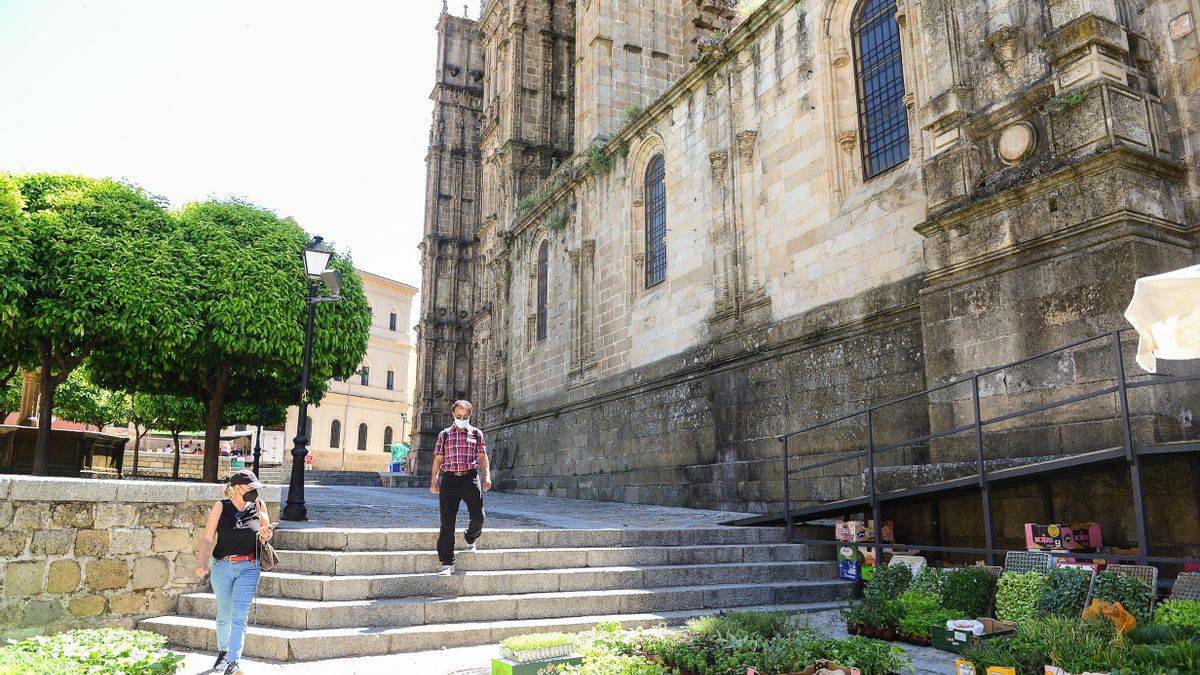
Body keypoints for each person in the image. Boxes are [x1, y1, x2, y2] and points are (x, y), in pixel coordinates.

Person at [196, 469, 272, 675]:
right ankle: (222, 652)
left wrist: (266, 535)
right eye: (250, 487)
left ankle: (234, 662)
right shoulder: (221, 506)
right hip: (222, 566)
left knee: (240, 615)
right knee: (224, 613)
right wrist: (201, 563)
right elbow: (207, 538)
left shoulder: (259, 505)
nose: (254, 492)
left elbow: (265, 533)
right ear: (237, 488)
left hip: (249, 566)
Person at [430, 400, 491, 575]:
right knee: (447, 522)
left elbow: (482, 456)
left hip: (470, 478)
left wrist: (487, 475)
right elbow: (438, 459)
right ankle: (447, 563)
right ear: (453, 415)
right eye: (458, 416)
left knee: (478, 516)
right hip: (449, 479)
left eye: (465, 417)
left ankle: (470, 537)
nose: (461, 419)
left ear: (469, 416)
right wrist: (434, 480)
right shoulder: (445, 435)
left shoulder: (476, 434)